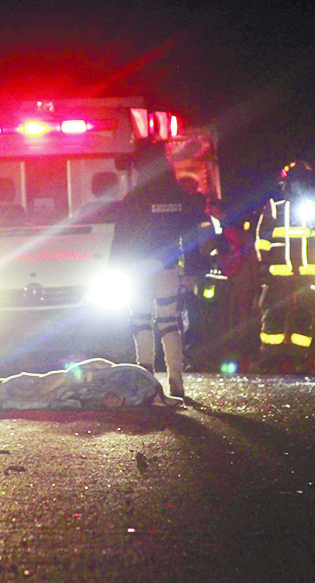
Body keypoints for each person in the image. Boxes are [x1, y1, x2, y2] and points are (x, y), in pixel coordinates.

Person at [111, 142, 209, 399]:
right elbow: (191, 236)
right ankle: (176, 379)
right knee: (169, 322)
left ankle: (146, 380)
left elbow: (121, 237)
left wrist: (114, 268)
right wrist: (191, 269)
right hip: (169, 267)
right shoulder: (179, 195)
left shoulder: (135, 197)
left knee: (141, 321)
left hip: (139, 269)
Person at [251, 160, 315, 373]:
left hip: (307, 274)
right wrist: (264, 265)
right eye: (294, 181)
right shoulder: (274, 207)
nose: (297, 185)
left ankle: (299, 358)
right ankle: (270, 357)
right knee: (273, 314)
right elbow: (262, 240)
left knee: (304, 315)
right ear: (286, 183)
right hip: (278, 274)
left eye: (301, 181)